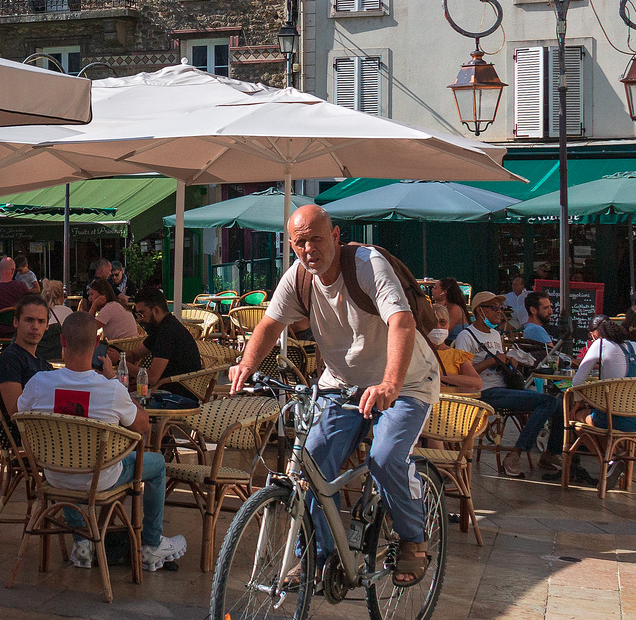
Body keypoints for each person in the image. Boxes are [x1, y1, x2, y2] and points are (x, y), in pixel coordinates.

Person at [227, 205, 439, 588]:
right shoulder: (298, 279)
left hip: (405, 382)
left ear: (336, 237)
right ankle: (317, 555)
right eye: (300, 242)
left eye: (316, 239)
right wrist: (246, 364)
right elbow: (270, 325)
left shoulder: (366, 265)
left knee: (385, 457)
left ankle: (413, 537)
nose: (309, 249)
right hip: (342, 384)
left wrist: (390, 384)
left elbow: (401, 321)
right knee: (312, 461)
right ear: (292, 246)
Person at [17, 312, 185, 570]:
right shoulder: (110, 389)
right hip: (100, 478)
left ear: (62, 341)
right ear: (97, 344)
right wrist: (113, 381)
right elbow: (143, 428)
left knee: (71, 459)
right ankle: (151, 544)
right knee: (157, 463)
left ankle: (82, 542)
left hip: (53, 475)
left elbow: (21, 414)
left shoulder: (39, 383)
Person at [458, 292, 569, 482]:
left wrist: (510, 362)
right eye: (494, 308)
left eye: (500, 308)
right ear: (480, 311)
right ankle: (515, 454)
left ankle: (551, 452)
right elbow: (461, 373)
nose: (499, 312)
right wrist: (492, 360)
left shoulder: (494, 334)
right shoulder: (466, 336)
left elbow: (500, 362)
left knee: (560, 404)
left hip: (504, 386)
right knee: (546, 401)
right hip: (484, 391)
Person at [133, 287, 204, 407]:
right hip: (169, 391)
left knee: (125, 404)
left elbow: (153, 377)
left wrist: (121, 361)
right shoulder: (162, 326)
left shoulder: (167, 332)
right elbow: (135, 354)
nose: (141, 319)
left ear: (155, 310)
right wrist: (116, 355)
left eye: (142, 313)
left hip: (178, 397)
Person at [0, 294, 54, 419]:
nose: (35, 327)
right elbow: (15, 411)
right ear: (16, 322)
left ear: (47, 326)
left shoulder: (43, 363)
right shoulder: (9, 359)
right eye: (29, 320)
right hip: (27, 434)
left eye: (41, 321)